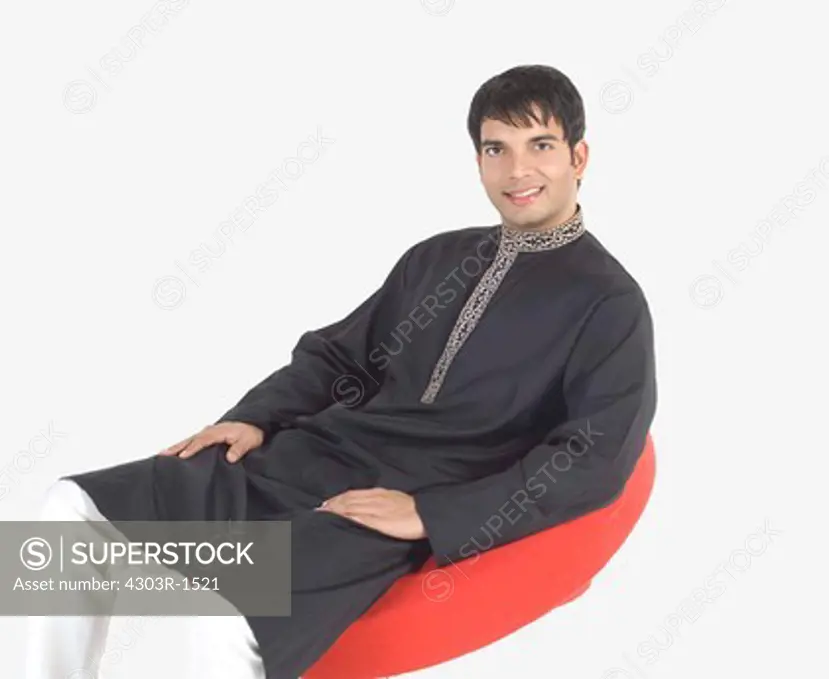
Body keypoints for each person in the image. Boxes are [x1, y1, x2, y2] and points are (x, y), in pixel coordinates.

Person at [26, 63, 657, 679]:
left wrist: (434, 516)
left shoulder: (609, 302)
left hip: (391, 505)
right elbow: (341, 356)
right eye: (497, 149)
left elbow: (592, 457)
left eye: (540, 145)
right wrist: (254, 416)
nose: (517, 170)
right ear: (478, 162)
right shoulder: (436, 257)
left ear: (578, 157)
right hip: (312, 458)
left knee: (230, 611)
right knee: (68, 515)